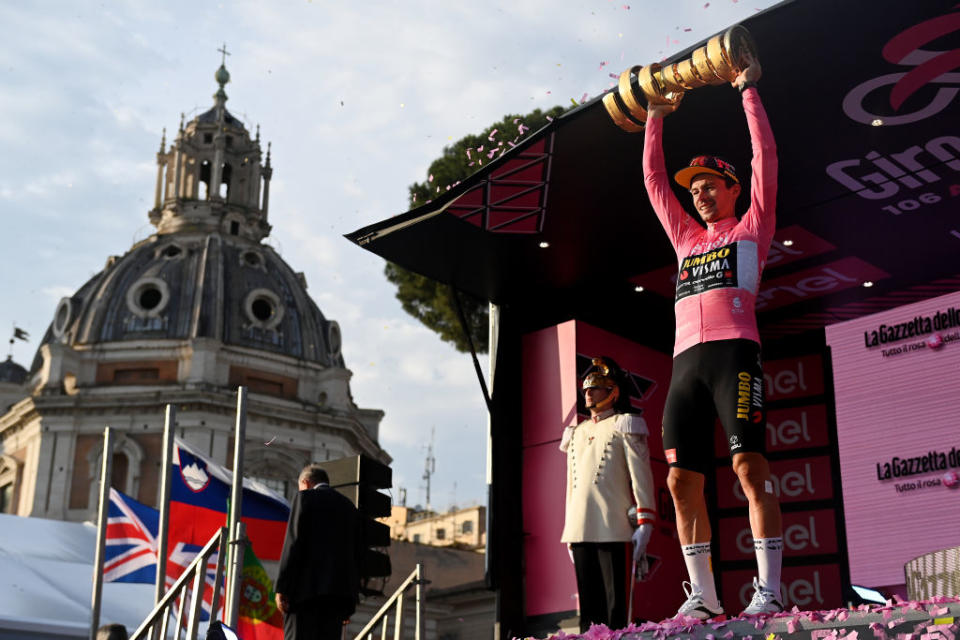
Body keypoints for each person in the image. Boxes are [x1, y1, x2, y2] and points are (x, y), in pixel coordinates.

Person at [642, 53, 784, 619]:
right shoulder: (683, 240)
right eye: (694, 189)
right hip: (684, 366)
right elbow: (654, 181)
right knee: (680, 481)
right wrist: (654, 115)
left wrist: (748, 91)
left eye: (709, 186)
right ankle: (702, 595)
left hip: (734, 354)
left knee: (749, 469)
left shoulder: (753, 226)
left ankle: (769, 589)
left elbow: (765, 158)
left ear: (730, 189)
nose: (699, 195)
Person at [559, 356, 656, 631]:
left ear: (613, 392)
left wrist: (645, 522)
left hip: (614, 527)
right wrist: (570, 528)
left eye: (595, 388)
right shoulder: (576, 432)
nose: (587, 393)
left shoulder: (625, 424)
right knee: (588, 614)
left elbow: (641, 477)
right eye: (586, 389)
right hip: (580, 527)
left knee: (616, 612)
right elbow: (571, 486)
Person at [276, 464, 362, 640]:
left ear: (306, 482)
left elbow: (293, 542)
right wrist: (350, 602)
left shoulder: (304, 498)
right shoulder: (349, 507)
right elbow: (356, 555)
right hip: (337, 599)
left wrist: (282, 587)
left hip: (304, 595)